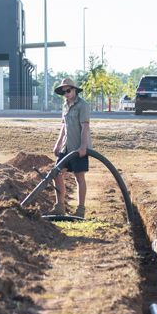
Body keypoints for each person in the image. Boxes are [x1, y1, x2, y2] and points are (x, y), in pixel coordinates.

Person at [52, 76, 91, 217]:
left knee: (79, 177)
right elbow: (64, 126)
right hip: (65, 147)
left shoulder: (83, 105)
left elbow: (85, 127)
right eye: (64, 92)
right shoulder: (65, 105)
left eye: (68, 90)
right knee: (56, 174)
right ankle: (59, 207)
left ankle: (80, 210)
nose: (66, 94)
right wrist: (57, 144)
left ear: (74, 90)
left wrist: (83, 147)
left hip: (78, 147)